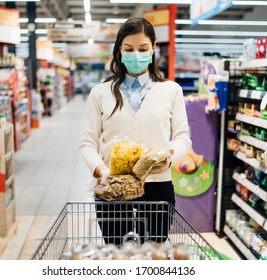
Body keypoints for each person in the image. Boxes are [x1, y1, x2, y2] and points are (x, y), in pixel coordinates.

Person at [79, 17, 192, 245]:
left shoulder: (170, 90)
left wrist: (168, 158)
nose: (136, 55)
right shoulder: (101, 93)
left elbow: (182, 137)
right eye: (129, 49)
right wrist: (103, 171)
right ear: (119, 51)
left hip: (157, 184)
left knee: (154, 251)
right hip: (113, 186)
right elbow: (87, 143)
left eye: (143, 49)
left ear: (153, 50)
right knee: (117, 249)